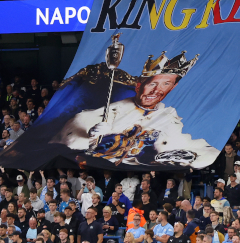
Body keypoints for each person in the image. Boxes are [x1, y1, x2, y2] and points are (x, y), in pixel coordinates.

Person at [52, 50, 212, 167]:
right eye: (153, 83)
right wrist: (93, 136)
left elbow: (193, 147)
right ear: (139, 84)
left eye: (166, 84)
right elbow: (70, 140)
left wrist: (191, 156)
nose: (157, 91)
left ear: (172, 87)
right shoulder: (108, 112)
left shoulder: (168, 116)